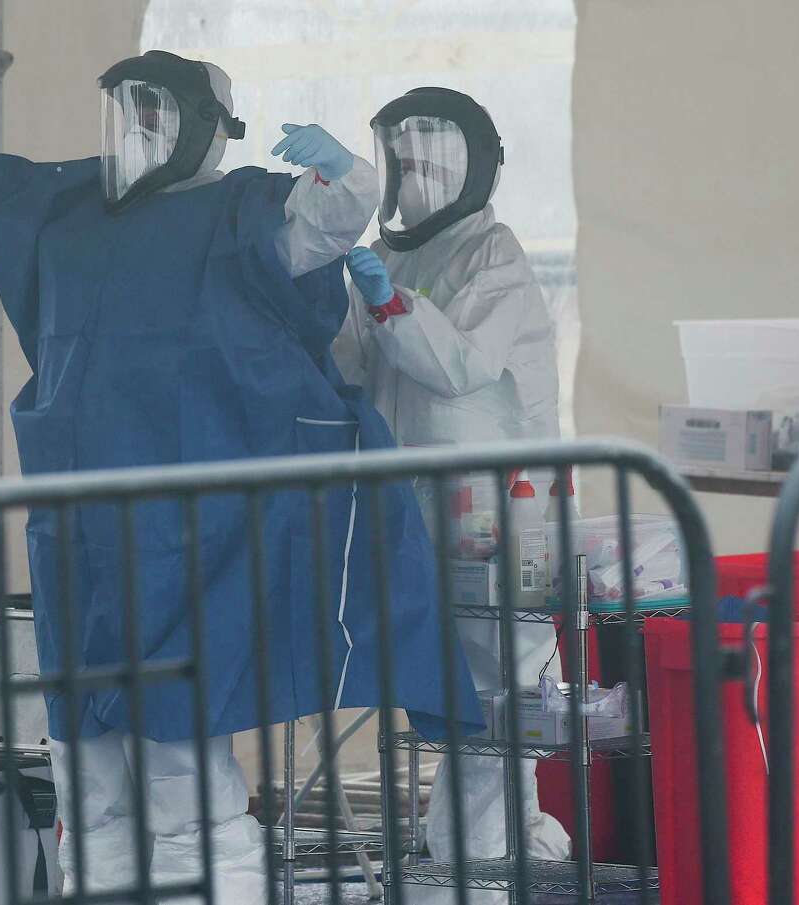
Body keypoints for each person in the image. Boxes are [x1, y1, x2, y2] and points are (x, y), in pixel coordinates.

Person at [0, 53, 484, 903]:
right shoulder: (69, 212)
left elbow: (332, 218)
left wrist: (343, 166)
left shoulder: (240, 214)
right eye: (124, 112)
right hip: (80, 529)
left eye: (153, 113)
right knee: (85, 760)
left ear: (203, 127)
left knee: (175, 752)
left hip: (191, 530)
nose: (132, 132)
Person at [332, 87, 570, 900]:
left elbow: (453, 363)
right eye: (401, 158)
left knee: (504, 692)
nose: (414, 173)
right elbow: (356, 366)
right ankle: (505, 852)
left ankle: (476, 866)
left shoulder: (491, 253)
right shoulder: (393, 255)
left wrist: (386, 299)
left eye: (430, 156)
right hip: (426, 507)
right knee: (470, 696)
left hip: (509, 508)